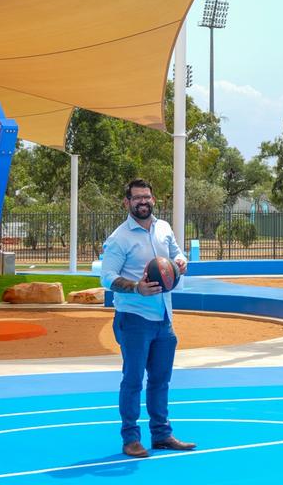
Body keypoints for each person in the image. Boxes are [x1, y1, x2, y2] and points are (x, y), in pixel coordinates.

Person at [100, 178, 196, 458]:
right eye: (137, 198)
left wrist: (181, 264)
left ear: (153, 200)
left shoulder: (164, 228)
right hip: (134, 318)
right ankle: (130, 438)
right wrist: (136, 288)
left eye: (147, 197)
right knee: (132, 380)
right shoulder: (119, 238)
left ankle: (162, 434)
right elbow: (106, 278)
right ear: (127, 203)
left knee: (160, 380)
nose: (143, 202)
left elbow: (178, 256)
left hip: (164, 318)